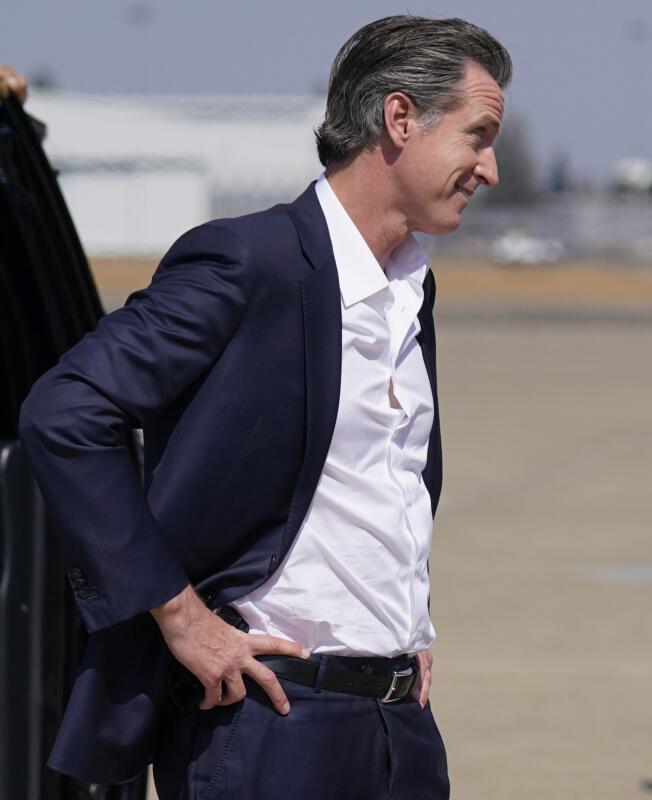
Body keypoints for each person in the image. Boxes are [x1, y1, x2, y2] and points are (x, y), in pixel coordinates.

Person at [18, 16, 510, 799]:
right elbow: (67, 410)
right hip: (271, 723)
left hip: (400, 723)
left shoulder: (410, 291)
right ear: (399, 118)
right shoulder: (253, 262)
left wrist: (399, 630)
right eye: (478, 136)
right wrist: (179, 616)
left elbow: (377, 485)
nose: (489, 169)